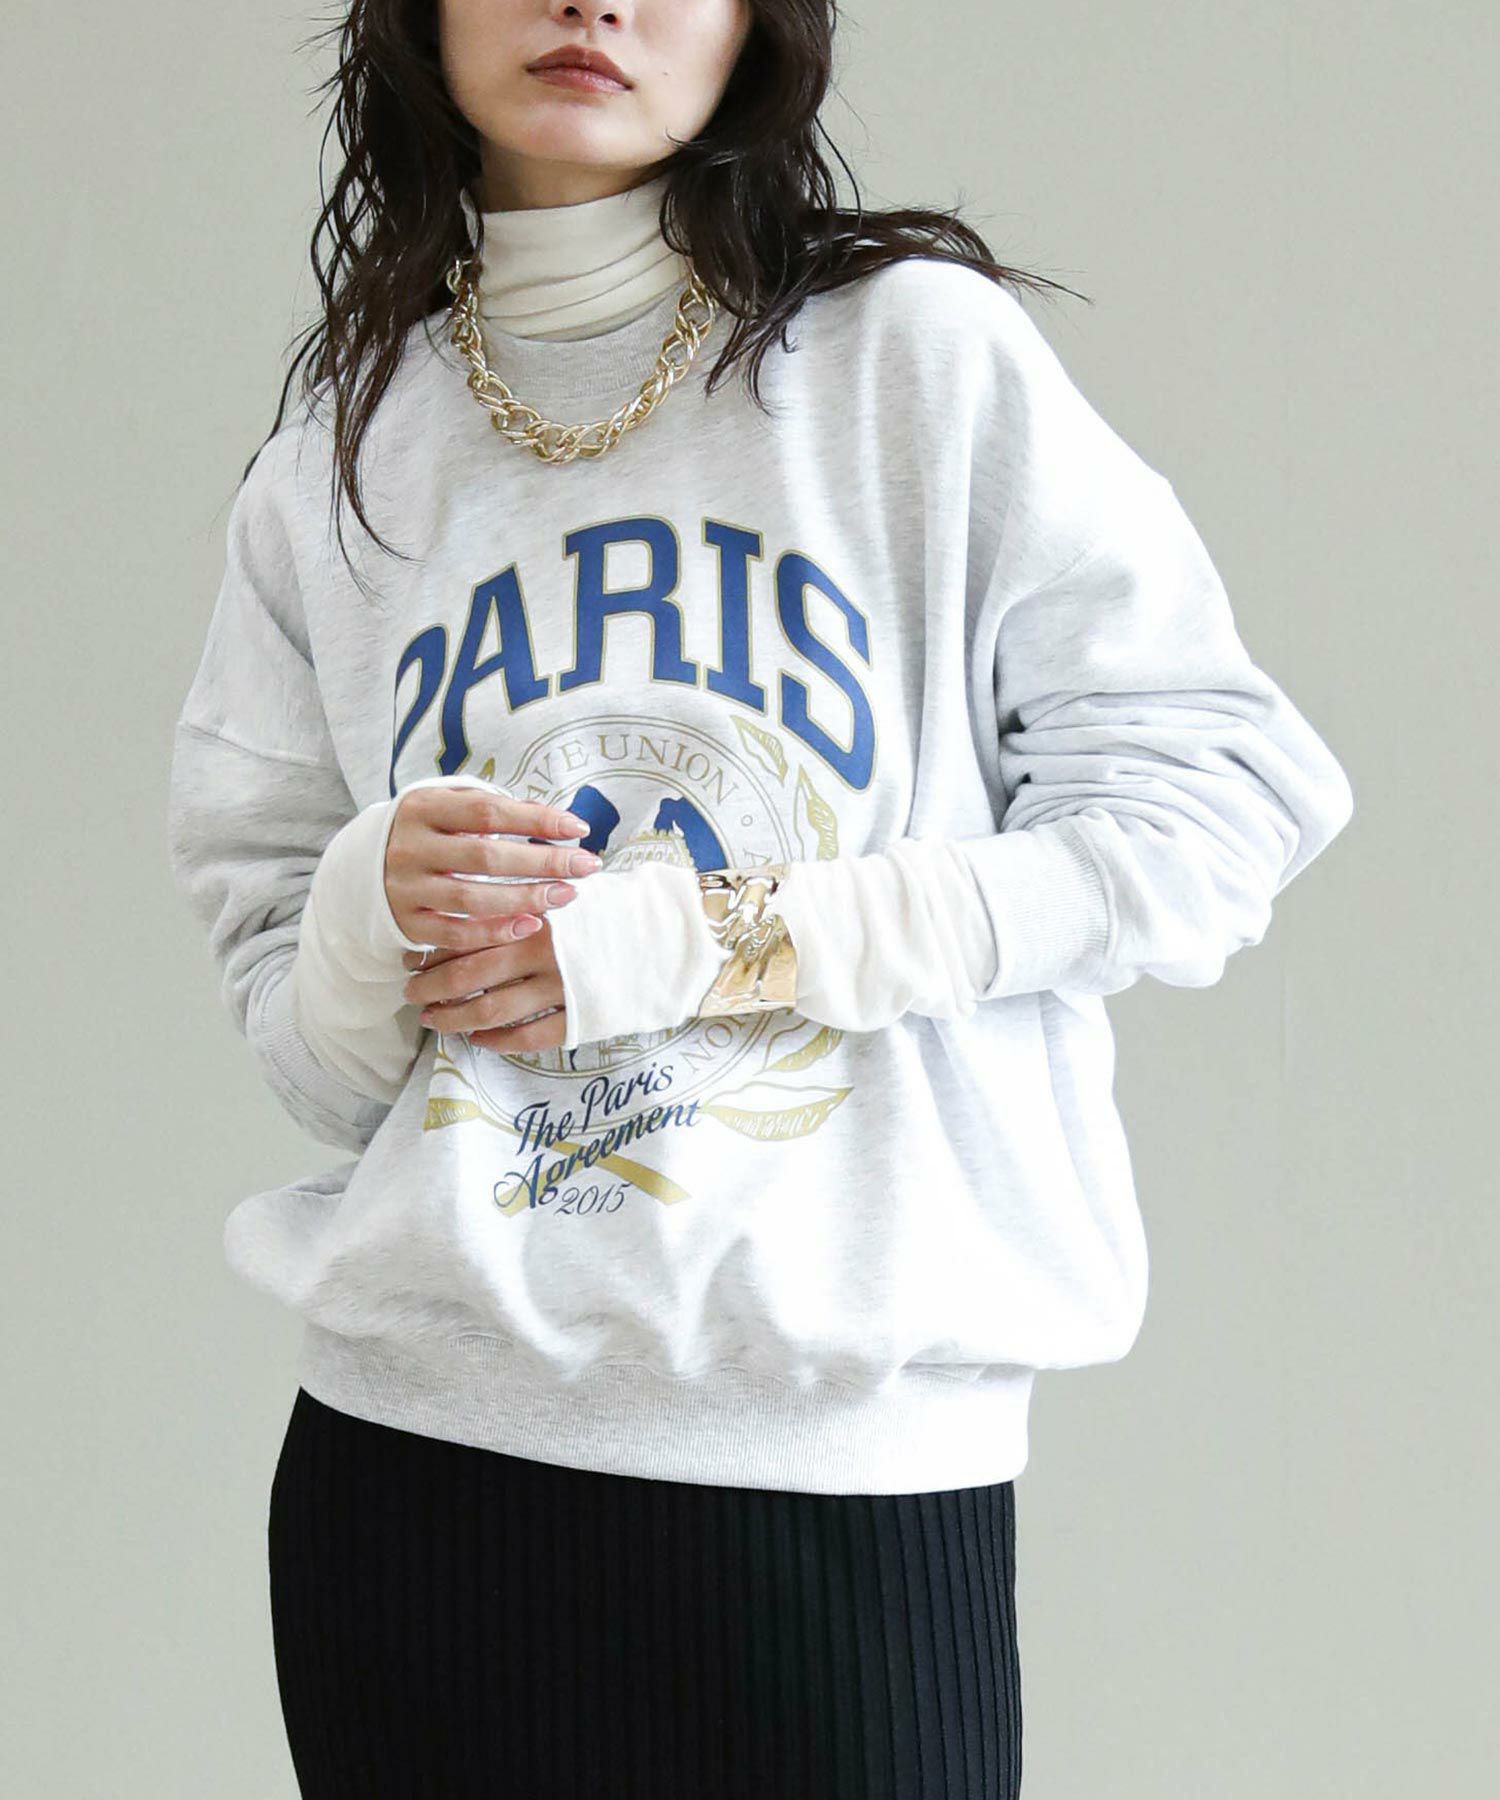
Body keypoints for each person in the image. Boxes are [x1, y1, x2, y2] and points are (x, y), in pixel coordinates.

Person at [165, 2, 1355, 1795]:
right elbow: (321, 1070)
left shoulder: (906, 363)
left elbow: (1218, 807)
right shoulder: (340, 452)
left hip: (831, 1463)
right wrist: (363, 904)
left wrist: (711, 937)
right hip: (413, 1462)